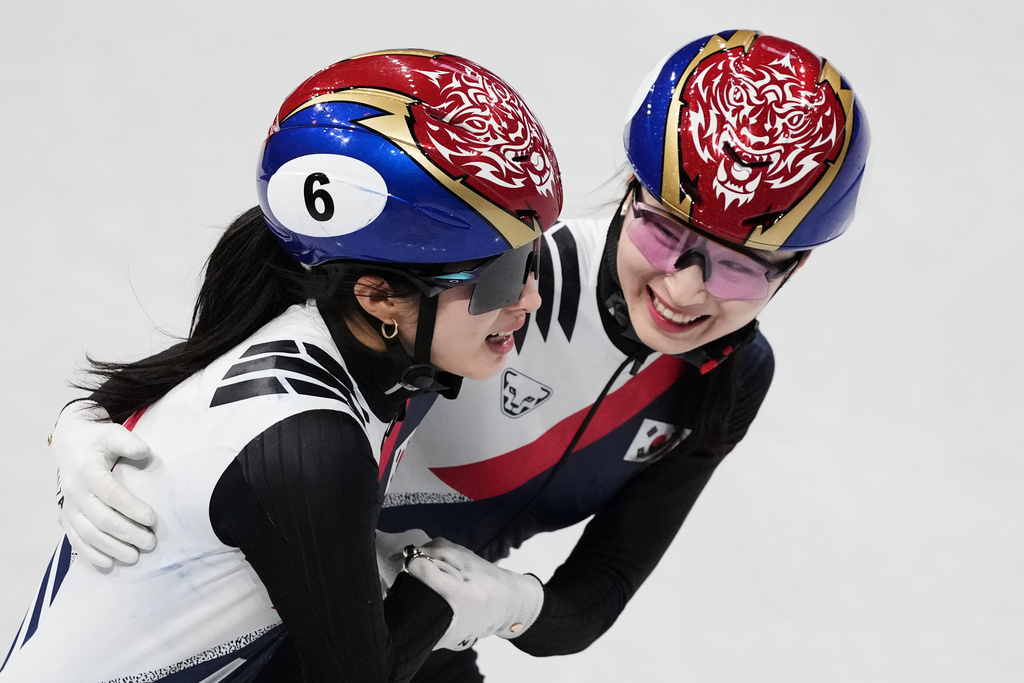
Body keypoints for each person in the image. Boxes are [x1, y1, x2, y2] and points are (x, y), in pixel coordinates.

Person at [44, 30, 870, 681]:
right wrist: (90, 421)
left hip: (408, 632)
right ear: (628, 190)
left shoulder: (728, 376)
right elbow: (270, 349)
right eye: (663, 230)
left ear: (794, 268)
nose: (686, 289)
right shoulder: (498, 283)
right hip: (273, 617)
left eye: (735, 264)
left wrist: (504, 601)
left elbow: (598, 593)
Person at [0, 49, 563, 682]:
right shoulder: (310, 441)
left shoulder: (350, 345)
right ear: (376, 295)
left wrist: (77, 418)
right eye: (502, 278)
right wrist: (446, 601)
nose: (532, 299)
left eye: (533, 258)